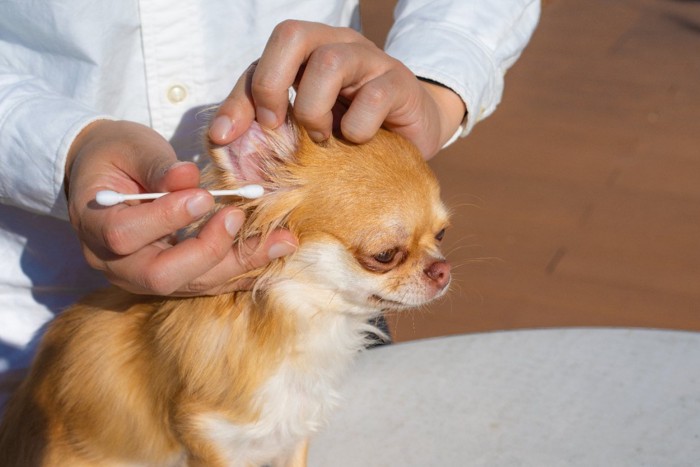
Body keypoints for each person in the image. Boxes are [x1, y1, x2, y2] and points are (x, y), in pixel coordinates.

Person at [0, 1, 540, 379]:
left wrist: (435, 87)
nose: (440, 263)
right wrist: (61, 148)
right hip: (27, 292)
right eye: (384, 253)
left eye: (438, 235)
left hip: (332, 320)